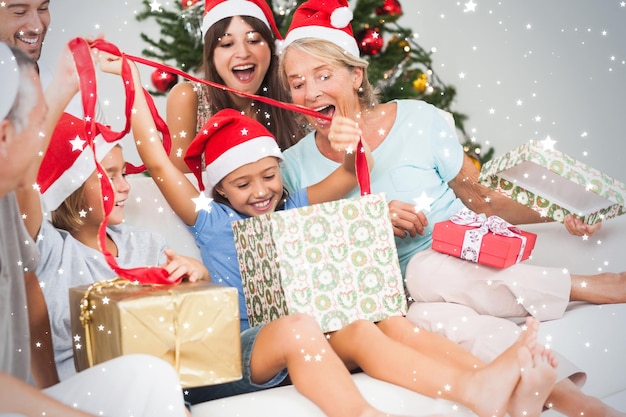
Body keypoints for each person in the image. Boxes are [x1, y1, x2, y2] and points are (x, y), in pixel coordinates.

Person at [97, 49, 559, 417]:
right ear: (218, 186)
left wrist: (349, 142)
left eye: (269, 176)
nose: (261, 193)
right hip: (254, 344)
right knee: (322, 327)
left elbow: (352, 172)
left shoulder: (293, 202)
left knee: (378, 324)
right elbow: (157, 160)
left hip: (313, 333)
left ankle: (479, 386)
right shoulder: (212, 219)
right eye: (242, 184)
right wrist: (129, 81)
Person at [276, 1, 626, 416]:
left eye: (323, 75)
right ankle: (573, 400)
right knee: (459, 326)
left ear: (356, 75)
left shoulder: (419, 122)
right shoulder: (293, 167)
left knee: (426, 269)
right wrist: (368, 222)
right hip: (398, 302)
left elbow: (482, 198)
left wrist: (561, 211)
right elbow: (307, 261)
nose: (309, 92)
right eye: (297, 83)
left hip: (457, 258)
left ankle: (589, 297)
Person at [0, 41, 189, 417]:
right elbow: (28, 187)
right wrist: (60, 91)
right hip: (78, 387)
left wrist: (193, 277)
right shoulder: (49, 246)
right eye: (109, 176)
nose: (124, 187)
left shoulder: (144, 243)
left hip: (136, 378)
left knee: (151, 376)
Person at [166, 0, 306, 173]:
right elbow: (180, 184)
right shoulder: (188, 98)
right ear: (211, 55)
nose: (243, 53)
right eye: (226, 44)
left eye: (253, 40)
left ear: (271, 48)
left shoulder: (295, 96)